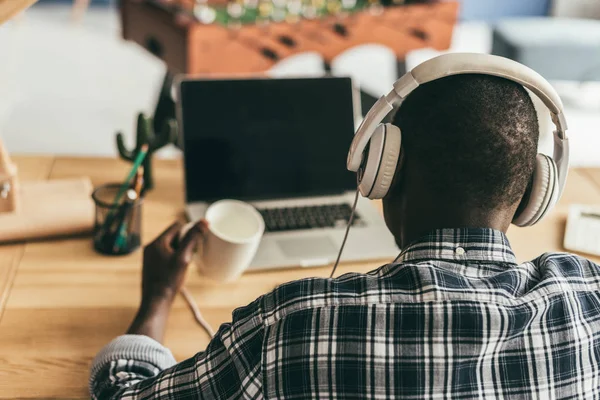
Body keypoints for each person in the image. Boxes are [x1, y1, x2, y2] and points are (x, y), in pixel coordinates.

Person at [90, 71, 600, 399]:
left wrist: (157, 298)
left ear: (384, 173)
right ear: (535, 189)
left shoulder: (292, 327)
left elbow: (123, 393)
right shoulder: (591, 298)